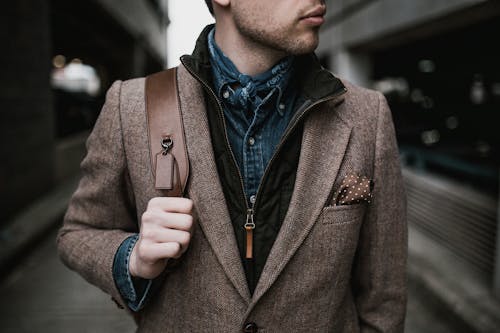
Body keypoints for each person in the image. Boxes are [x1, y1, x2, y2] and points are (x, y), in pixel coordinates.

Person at [57, 0, 407, 332]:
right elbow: (79, 232)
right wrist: (132, 259)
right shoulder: (130, 106)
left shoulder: (367, 115)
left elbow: (384, 298)